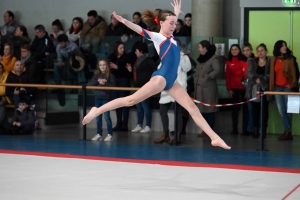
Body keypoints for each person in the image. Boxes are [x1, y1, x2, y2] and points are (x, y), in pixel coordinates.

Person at [82, 0, 231, 150]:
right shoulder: (157, 37)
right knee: (131, 100)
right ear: (161, 23)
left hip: (172, 81)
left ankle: (214, 137)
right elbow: (139, 30)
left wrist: (177, 12)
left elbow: (170, 21)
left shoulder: (171, 37)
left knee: (192, 108)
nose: (174, 26)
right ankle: (97, 110)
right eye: (171, 23)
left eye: (175, 23)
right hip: (161, 78)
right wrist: (124, 21)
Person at [154, 38, 191, 145]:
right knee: (162, 111)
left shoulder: (184, 57)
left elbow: (187, 68)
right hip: (167, 87)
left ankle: (177, 136)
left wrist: (178, 56)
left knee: (178, 112)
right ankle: (165, 134)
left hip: (179, 88)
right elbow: (159, 69)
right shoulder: (165, 56)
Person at [269, 40, 299, 141]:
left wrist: (291, 84)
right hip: (277, 87)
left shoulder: (291, 59)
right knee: (281, 111)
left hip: (288, 87)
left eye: (285, 46)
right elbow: (273, 73)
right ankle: (288, 131)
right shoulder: (274, 59)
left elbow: (296, 73)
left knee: (289, 111)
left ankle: (287, 131)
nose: (284, 47)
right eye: (282, 46)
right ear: (278, 48)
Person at [126, 42, 156, 133]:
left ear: (141, 51)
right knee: (139, 106)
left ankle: (148, 125)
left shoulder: (148, 60)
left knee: (145, 106)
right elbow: (137, 73)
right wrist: (131, 70)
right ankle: (139, 124)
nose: (135, 52)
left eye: (136, 50)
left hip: (145, 87)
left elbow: (155, 69)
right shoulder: (138, 60)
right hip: (137, 86)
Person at [195, 40, 220, 137]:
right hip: (200, 88)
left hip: (208, 89)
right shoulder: (201, 58)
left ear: (205, 48)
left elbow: (217, 70)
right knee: (202, 110)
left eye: (199, 47)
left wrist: (208, 76)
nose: (198, 49)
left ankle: (210, 131)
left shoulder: (214, 58)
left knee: (209, 110)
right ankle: (204, 130)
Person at [246, 43, 270, 139]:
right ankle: (255, 130)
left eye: (262, 50)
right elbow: (249, 72)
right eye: (258, 51)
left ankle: (263, 131)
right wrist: (255, 78)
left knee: (264, 111)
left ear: (266, 51)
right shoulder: (253, 61)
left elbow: (271, 74)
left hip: (265, 89)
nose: (260, 52)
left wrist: (262, 79)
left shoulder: (269, 61)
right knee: (255, 110)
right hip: (255, 89)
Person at [89, 58, 116, 141]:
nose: (102, 66)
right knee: (98, 117)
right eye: (100, 65)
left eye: (104, 65)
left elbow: (113, 86)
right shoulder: (96, 75)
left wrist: (105, 83)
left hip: (106, 98)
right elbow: (90, 83)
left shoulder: (110, 75)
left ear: (107, 66)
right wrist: (98, 81)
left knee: (107, 117)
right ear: (98, 66)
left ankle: (109, 134)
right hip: (98, 98)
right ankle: (99, 133)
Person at [108, 41, 131, 132]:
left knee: (124, 102)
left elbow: (128, 72)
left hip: (124, 80)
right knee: (117, 103)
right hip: (114, 81)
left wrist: (117, 67)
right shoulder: (111, 57)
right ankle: (118, 123)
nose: (122, 50)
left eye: (123, 48)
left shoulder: (127, 57)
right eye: (120, 48)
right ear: (116, 48)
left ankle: (125, 124)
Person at [225, 44, 248, 135]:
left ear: (239, 50)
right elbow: (227, 76)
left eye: (236, 49)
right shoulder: (228, 62)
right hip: (234, 88)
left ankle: (245, 129)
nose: (234, 51)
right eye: (232, 49)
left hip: (244, 88)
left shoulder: (244, 60)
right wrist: (229, 89)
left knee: (245, 109)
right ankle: (234, 129)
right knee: (234, 110)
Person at [242, 42, 256, 136]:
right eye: (244, 51)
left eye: (248, 50)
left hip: (254, 88)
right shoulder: (243, 62)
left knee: (253, 109)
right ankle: (249, 128)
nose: (246, 52)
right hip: (246, 88)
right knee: (249, 109)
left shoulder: (255, 60)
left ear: (251, 51)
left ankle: (252, 129)